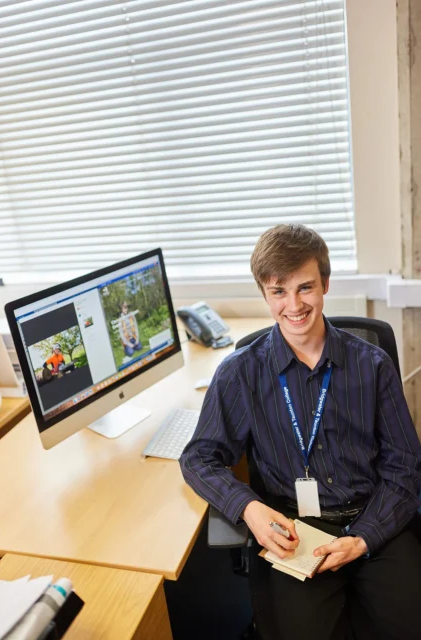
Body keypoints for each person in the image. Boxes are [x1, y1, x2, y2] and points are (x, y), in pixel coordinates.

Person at [180, 224, 421, 640]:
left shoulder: (373, 365)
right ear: (264, 294)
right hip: (296, 534)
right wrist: (249, 510)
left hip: (374, 522)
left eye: (305, 288)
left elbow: (404, 465)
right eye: (278, 291)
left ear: (325, 284)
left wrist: (364, 538)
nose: (293, 305)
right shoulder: (240, 374)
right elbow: (198, 457)